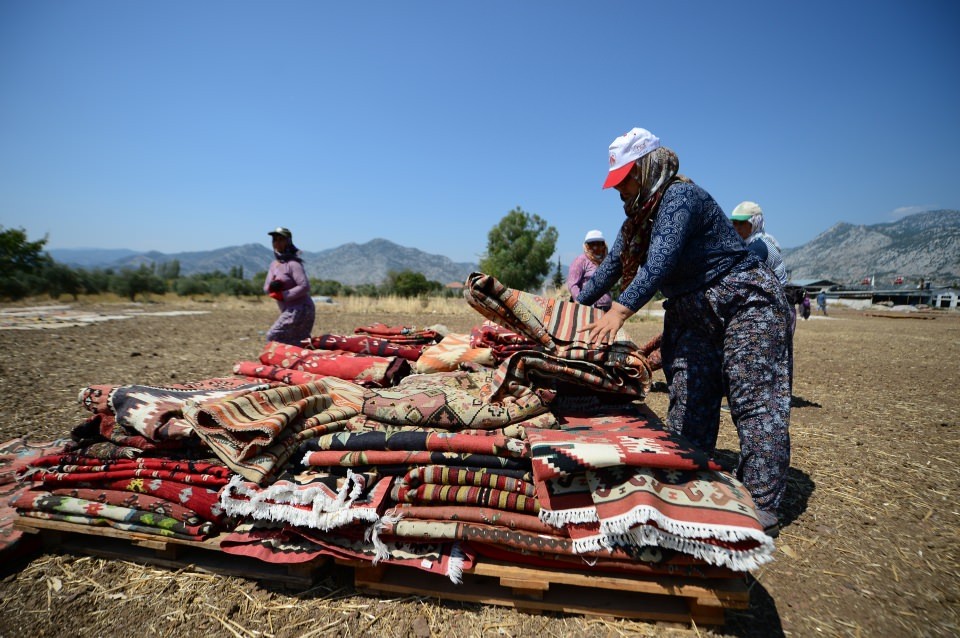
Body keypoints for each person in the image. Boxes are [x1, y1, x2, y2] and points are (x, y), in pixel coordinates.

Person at [577, 127, 792, 536]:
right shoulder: (637, 219)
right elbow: (609, 269)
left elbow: (659, 260)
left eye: (626, 179)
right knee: (690, 396)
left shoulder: (681, 197)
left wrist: (619, 311)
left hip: (742, 301)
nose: (621, 190)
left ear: (647, 166)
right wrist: (572, 309)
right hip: (692, 310)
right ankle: (689, 475)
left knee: (754, 400)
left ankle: (762, 503)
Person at [730, 201, 794, 334]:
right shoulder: (752, 243)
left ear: (755, 223)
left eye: (742, 223)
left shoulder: (759, 247)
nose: (737, 228)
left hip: (776, 309)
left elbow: (737, 275)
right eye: (734, 223)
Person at [263, 227, 315, 346]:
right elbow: (266, 287)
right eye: (275, 240)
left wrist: (284, 294)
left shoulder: (293, 264)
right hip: (288, 309)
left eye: (281, 239)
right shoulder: (274, 265)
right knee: (297, 342)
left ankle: (277, 360)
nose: (277, 242)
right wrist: (273, 287)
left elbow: (304, 286)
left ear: (288, 241)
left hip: (301, 309)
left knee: (273, 335)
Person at [566, 230, 613, 311]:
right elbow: (572, 284)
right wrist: (580, 302)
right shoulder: (581, 260)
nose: (596, 247)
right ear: (587, 246)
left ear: (603, 245)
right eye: (592, 244)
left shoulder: (606, 261)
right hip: (589, 308)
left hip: (606, 307)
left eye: (598, 243)